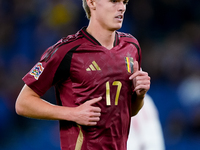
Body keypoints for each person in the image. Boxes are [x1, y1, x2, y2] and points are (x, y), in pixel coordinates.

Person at [15, 0, 150, 149]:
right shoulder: (66, 51)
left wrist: (140, 95)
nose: (122, 8)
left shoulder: (131, 46)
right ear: (91, 2)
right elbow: (23, 103)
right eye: (113, 1)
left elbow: (129, 111)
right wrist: (73, 113)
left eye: (124, 2)